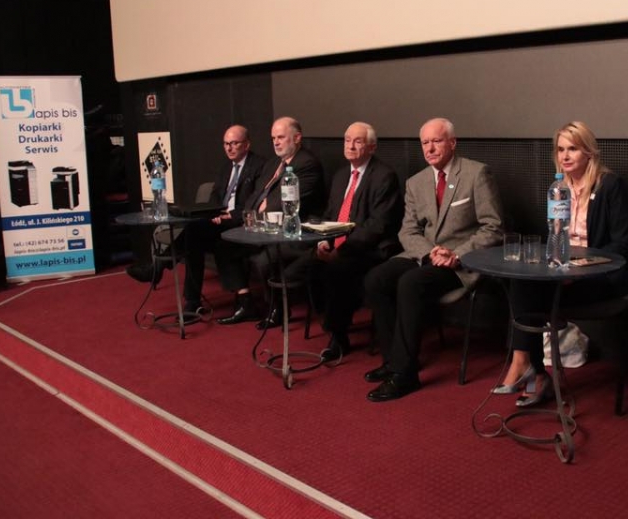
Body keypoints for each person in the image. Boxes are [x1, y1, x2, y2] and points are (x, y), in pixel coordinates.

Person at [496, 121, 628, 407]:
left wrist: (580, 266)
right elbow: (555, 235)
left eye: (573, 148)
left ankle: (530, 371)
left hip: (602, 277)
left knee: (528, 298)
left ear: (589, 152)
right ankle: (530, 369)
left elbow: (622, 246)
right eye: (560, 149)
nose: (565, 155)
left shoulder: (609, 185)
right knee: (522, 283)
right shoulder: (559, 187)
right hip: (564, 273)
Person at [363, 118, 503, 402]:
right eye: (425, 143)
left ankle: (405, 375)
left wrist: (457, 254)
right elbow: (408, 231)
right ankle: (394, 360)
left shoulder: (476, 173)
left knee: (410, 283)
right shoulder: (416, 182)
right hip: (424, 254)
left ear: (452, 143)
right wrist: (429, 252)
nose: (429, 148)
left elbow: (494, 227)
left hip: (460, 261)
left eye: (436, 141)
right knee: (376, 279)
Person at [282, 122, 403, 361]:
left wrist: (342, 249)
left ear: (372, 147)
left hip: (369, 250)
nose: (350, 146)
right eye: (347, 140)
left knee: (336, 271)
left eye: (358, 141)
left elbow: (378, 226)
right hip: (335, 245)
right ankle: (332, 319)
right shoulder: (340, 176)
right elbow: (330, 216)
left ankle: (338, 336)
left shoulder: (384, 176)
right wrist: (323, 241)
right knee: (303, 270)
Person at [216, 116, 326, 328]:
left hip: (294, 232)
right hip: (265, 227)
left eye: (281, 137)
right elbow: (253, 198)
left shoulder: (306, 164)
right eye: (273, 138)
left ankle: (278, 309)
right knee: (225, 246)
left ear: (297, 138)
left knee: (263, 260)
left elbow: (284, 204)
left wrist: (264, 206)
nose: (276, 142)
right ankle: (246, 302)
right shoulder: (273, 163)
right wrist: (257, 209)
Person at [180, 125, 266, 312]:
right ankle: (192, 300)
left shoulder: (259, 166)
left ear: (247, 144)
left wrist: (230, 216)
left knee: (192, 234)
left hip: (240, 222)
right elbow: (215, 196)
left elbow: (255, 202)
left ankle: (189, 297)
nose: (229, 148)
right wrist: (214, 213)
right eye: (226, 144)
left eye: (234, 143)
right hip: (219, 221)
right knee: (193, 234)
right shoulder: (227, 166)